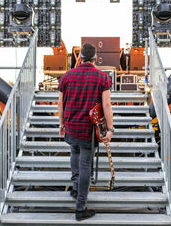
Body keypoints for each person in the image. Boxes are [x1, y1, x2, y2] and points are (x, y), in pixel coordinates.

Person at [58, 43, 114, 221]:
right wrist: (110, 129)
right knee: (85, 166)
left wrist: (61, 124)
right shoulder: (102, 77)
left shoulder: (66, 77)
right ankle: (80, 207)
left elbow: (60, 104)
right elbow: (106, 105)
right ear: (95, 58)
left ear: (79, 58)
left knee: (74, 154)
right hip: (89, 130)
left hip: (71, 125)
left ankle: (75, 189)